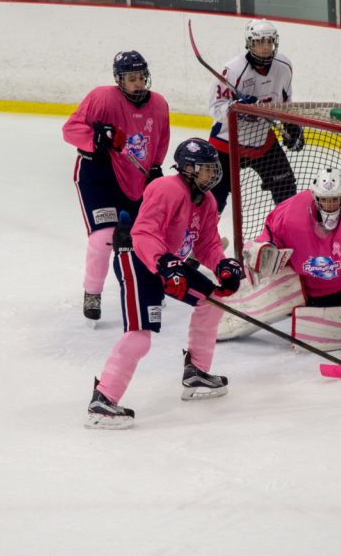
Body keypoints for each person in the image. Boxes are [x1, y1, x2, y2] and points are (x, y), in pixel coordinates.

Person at [85, 138, 243, 430]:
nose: (214, 173)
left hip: (166, 263)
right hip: (137, 259)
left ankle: (196, 373)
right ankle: (102, 400)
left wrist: (221, 265)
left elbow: (207, 243)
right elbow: (144, 233)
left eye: (213, 167)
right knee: (140, 336)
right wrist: (165, 264)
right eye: (207, 168)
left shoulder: (207, 200)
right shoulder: (166, 189)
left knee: (213, 300)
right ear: (189, 169)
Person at [216, 167, 341, 351]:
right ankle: (216, 319)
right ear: (315, 197)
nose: (329, 205)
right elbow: (271, 232)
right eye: (324, 199)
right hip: (299, 281)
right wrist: (265, 247)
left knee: (311, 329)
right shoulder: (293, 211)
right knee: (275, 299)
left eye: (335, 199)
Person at [62, 50, 170, 326]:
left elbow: (160, 139)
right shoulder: (102, 98)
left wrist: (155, 167)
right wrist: (96, 138)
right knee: (104, 237)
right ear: (119, 80)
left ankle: (147, 287)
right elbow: (70, 129)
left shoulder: (159, 104)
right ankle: (92, 293)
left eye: (141, 77)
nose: (138, 83)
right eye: (131, 78)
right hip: (98, 175)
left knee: (143, 238)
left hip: (136, 179)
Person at [207, 18, 303, 214]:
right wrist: (238, 107)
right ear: (249, 43)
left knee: (286, 189)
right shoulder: (232, 71)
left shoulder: (284, 67)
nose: (265, 47)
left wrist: (290, 125)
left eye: (269, 41)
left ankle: (286, 228)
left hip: (262, 142)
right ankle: (204, 232)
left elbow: (285, 103)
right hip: (227, 144)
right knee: (214, 199)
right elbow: (215, 108)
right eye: (259, 42)